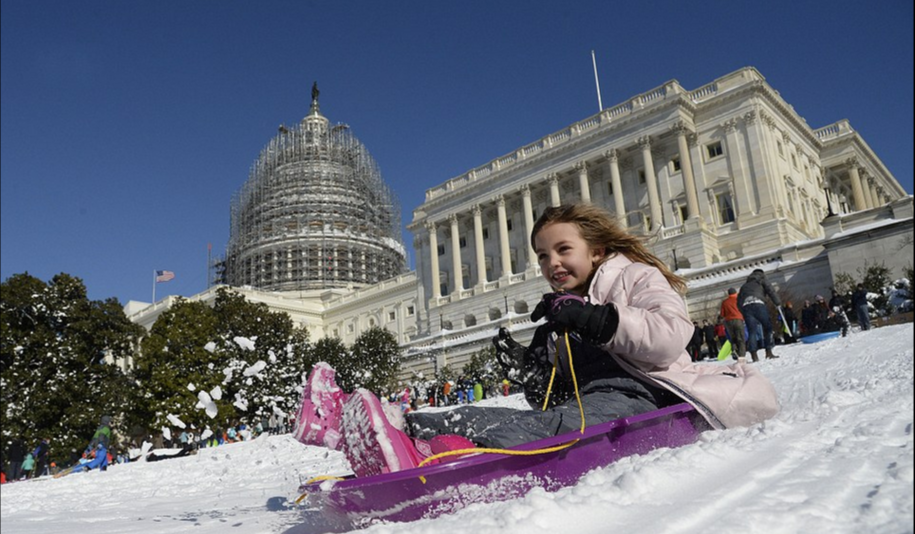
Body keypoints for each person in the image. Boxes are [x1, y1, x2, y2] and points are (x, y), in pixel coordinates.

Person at [295, 204, 779, 478]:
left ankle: (428, 454)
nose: (552, 264)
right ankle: (381, 424)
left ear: (597, 250)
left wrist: (596, 320)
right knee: (490, 414)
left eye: (563, 250)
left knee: (542, 432)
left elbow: (673, 336)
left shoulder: (634, 276)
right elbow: (547, 396)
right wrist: (530, 368)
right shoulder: (558, 313)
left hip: (640, 395)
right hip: (587, 403)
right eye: (543, 256)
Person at [737, 269, 781, 361]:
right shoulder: (762, 280)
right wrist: (777, 303)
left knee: (752, 331)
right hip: (758, 304)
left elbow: (739, 302)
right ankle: (768, 351)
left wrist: (743, 311)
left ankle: (754, 355)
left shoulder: (744, 286)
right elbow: (771, 291)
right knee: (768, 328)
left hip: (747, 306)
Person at [720, 288, 747, 362]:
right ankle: (741, 356)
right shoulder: (739, 300)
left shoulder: (724, 302)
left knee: (733, 338)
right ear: (735, 293)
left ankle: (734, 350)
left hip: (728, 322)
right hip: (738, 319)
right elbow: (743, 309)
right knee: (741, 338)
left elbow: (722, 314)